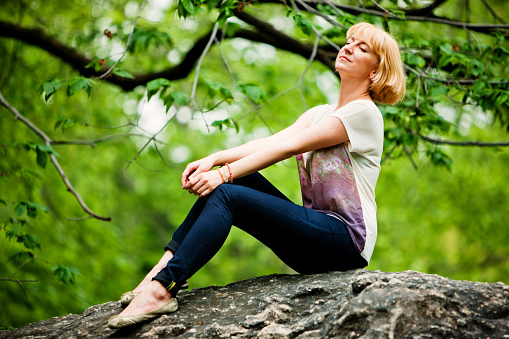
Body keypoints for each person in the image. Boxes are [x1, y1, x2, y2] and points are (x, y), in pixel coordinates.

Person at [108, 22, 406, 328]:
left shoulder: (364, 114)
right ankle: (159, 273)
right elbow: (272, 142)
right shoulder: (320, 113)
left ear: (374, 72)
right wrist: (214, 159)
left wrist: (222, 175)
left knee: (227, 192)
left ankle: (163, 290)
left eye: (362, 48)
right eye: (349, 41)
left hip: (345, 241)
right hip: (314, 241)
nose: (348, 48)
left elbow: (290, 147)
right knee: (237, 181)